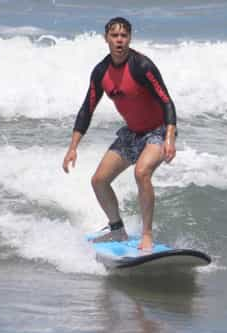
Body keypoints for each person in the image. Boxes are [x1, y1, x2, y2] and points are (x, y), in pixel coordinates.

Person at [62, 17, 177, 251]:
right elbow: (87, 109)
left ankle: (147, 234)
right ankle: (117, 231)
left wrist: (169, 137)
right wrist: (73, 147)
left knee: (142, 172)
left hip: (157, 131)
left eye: (124, 36)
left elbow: (166, 101)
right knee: (99, 180)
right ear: (106, 39)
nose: (119, 40)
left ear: (130, 39)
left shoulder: (142, 66)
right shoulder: (101, 71)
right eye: (114, 36)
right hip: (131, 134)